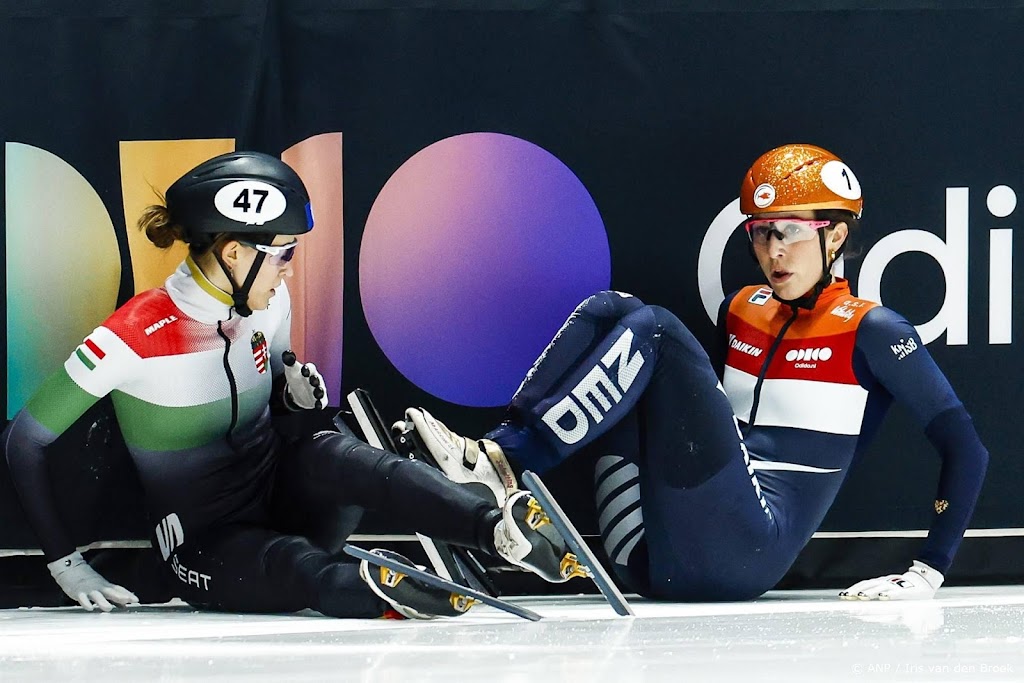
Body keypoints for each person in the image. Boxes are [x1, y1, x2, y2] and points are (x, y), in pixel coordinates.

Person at [399, 143, 989, 602]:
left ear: (834, 234)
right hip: (646, 553)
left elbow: (966, 449)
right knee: (614, 309)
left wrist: (928, 571)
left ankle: (504, 465)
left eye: (788, 231)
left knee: (654, 327)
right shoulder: (742, 308)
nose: (772, 251)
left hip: (743, 553)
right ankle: (502, 468)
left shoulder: (874, 329)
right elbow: (685, 422)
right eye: (759, 233)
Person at [2, 151, 581, 618]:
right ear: (233, 253)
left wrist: (296, 407)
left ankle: (499, 532)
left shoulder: (269, 301)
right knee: (294, 566)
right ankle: (376, 592)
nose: (290, 270)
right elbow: (24, 441)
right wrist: (65, 563)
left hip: (281, 496)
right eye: (284, 254)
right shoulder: (133, 337)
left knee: (340, 452)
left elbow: (289, 425)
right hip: (204, 543)